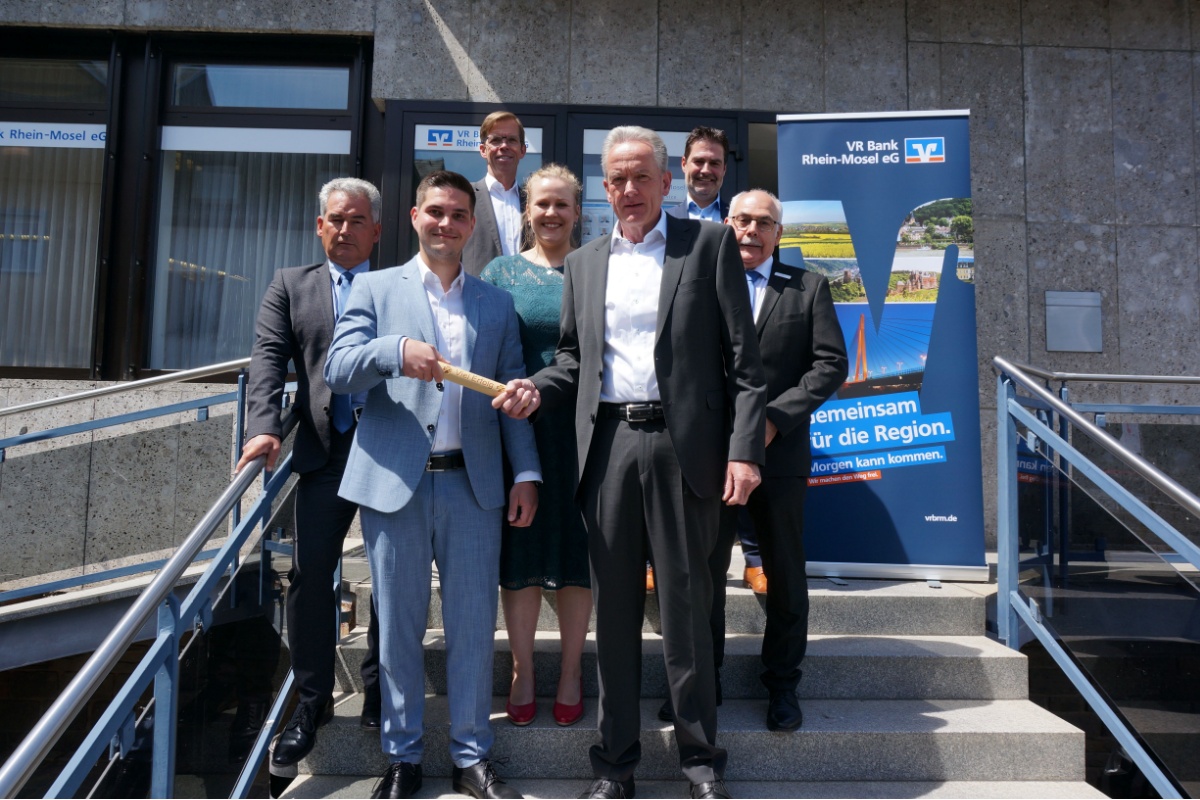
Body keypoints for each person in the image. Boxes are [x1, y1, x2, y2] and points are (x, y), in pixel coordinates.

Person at [512, 126, 767, 800]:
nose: (627, 190)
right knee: (615, 614)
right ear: (607, 186)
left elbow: (745, 364)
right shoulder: (587, 261)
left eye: (639, 177)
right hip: (611, 449)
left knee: (687, 610)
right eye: (616, 179)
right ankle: (615, 764)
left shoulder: (708, 246)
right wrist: (537, 386)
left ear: (664, 182)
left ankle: (701, 760)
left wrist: (743, 451)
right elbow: (572, 359)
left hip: (686, 452)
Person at [324, 170, 542, 800]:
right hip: (395, 483)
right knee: (397, 625)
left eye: (458, 215)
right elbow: (338, 369)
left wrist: (524, 472)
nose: (445, 223)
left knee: (474, 626)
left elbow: (512, 395)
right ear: (415, 218)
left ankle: (472, 757)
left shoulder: (495, 305)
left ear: (472, 226)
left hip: (473, 485)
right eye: (435, 212)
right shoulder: (372, 287)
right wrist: (394, 350)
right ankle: (403, 756)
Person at [235, 177, 384, 768]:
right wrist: (262, 426)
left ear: (376, 229)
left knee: (392, 579)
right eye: (334, 220)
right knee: (309, 576)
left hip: (387, 452)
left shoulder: (397, 284)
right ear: (319, 226)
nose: (344, 230)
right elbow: (268, 357)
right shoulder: (290, 286)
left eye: (356, 221)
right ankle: (313, 699)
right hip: (323, 451)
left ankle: (379, 690)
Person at [715, 189, 847, 730]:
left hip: (780, 452)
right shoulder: (700, 283)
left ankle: (783, 686)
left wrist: (772, 418)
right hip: (709, 455)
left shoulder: (808, 287)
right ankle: (702, 683)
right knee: (701, 574)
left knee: (786, 575)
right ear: (726, 224)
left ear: (779, 233)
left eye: (763, 223)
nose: (750, 230)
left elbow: (830, 364)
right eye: (742, 220)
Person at [480, 164, 592, 729]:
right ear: (527, 209)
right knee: (520, 558)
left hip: (585, 435)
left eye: (563, 205)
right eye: (542, 204)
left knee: (577, 557)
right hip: (518, 435)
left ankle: (571, 670)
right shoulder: (500, 272)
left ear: (578, 212)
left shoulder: (597, 268)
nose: (551, 214)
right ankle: (524, 669)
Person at [462, 111, 528, 276]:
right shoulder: (464, 198)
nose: (504, 146)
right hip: (477, 298)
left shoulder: (534, 202)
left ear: (522, 150)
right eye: (496, 140)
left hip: (527, 299)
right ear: (483, 150)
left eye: (511, 140)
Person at [666, 126, 731, 223]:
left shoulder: (738, 221)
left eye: (714, 163)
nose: (706, 171)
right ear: (684, 164)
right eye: (699, 161)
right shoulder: (664, 221)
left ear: (724, 169)